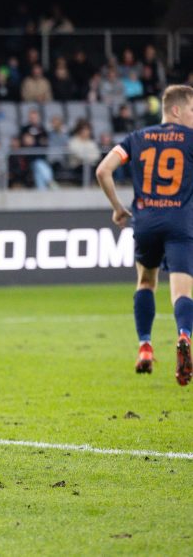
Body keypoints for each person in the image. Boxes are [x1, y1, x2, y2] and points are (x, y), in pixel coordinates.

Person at [96, 85, 193, 385]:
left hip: (146, 222)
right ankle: (185, 336)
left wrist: (117, 209)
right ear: (176, 110)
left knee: (146, 282)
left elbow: (102, 171)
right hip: (180, 223)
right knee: (182, 292)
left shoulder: (137, 138)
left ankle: (145, 347)